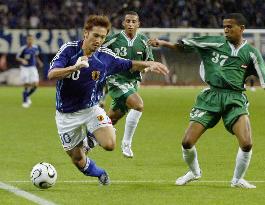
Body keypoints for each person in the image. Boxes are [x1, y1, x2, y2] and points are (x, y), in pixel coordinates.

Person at [48, 15, 168, 185]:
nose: (99, 40)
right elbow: (52, 74)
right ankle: (100, 173)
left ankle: (91, 137)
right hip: (66, 115)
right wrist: (74, 67)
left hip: (91, 109)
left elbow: (128, 63)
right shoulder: (69, 50)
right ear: (86, 33)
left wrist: (148, 64)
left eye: (103, 37)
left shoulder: (105, 57)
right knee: (78, 159)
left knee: (110, 144)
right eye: (95, 35)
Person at [149, 13, 265, 188]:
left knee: (247, 143)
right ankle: (194, 172)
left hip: (235, 98)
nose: (226, 30)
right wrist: (164, 43)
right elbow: (184, 46)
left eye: (230, 26)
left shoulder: (251, 53)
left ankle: (237, 179)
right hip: (211, 96)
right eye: (224, 26)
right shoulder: (213, 42)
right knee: (187, 142)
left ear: (241, 29)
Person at [102, 11, 154, 158]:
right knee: (138, 105)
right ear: (123, 23)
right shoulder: (113, 40)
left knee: (112, 119)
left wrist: (146, 67)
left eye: (133, 21)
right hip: (116, 80)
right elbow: (97, 52)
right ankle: (126, 143)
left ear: (138, 24)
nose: (130, 24)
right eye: (128, 21)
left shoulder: (144, 41)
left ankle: (88, 139)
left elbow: (149, 61)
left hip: (132, 83)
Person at [16, 34, 43, 108]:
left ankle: (26, 96)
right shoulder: (23, 48)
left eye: (31, 39)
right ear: (26, 40)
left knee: (36, 84)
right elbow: (17, 57)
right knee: (27, 84)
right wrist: (23, 60)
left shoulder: (35, 48)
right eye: (28, 39)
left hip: (33, 68)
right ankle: (25, 101)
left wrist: (39, 62)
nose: (30, 41)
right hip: (25, 68)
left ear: (33, 40)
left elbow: (36, 56)